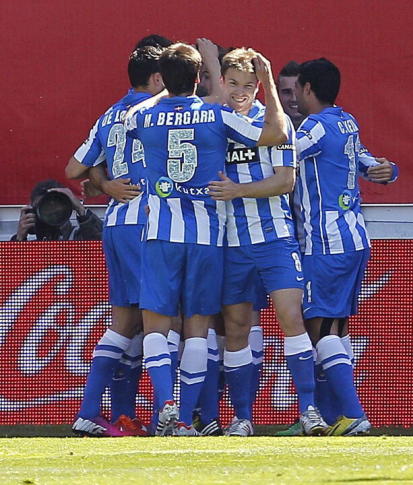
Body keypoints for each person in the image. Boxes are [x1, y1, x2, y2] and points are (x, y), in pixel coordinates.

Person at [125, 42, 287, 436]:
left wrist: (170, 88)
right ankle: (184, 419)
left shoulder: (141, 115)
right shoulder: (217, 115)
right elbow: (275, 134)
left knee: (157, 326)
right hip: (206, 237)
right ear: (199, 78)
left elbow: (135, 142)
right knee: (198, 328)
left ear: (163, 78)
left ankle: (165, 402)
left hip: (161, 231)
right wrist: (264, 82)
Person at [207, 47, 328, 437]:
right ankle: (242, 416)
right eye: (234, 84)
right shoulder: (214, 120)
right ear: (222, 82)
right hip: (230, 243)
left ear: (260, 86)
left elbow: (285, 181)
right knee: (237, 327)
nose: (241, 92)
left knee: (292, 319)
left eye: (249, 85)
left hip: (275, 237)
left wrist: (238, 190)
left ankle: (308, 410)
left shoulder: (274, 122)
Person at [292, 57, 398, 436]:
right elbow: (370, 163)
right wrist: (390, 170)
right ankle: (332, 414)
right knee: (335, 326)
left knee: (319, 329)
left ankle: (352, 415)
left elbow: (281, 155)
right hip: (354, 238)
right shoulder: (346, 121)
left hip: (326, 243)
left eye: (296, 90)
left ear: (308, 89)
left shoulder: (315, 127)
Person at [64, 45, 165, 437]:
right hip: (150, 222)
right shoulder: (160, 112)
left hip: (116, 223)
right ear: (158, 79)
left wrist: (104, 182)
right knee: (164, 319)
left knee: (125, 322)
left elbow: (74, 168)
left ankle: (93, 411)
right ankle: (165, 418)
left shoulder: (110, 114)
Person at [11, 179, 102, 241]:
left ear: (67, 208)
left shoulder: (80, 240)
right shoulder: (30, 249)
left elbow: (104, 245)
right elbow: (11, 266)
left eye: (56, 209)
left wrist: (81, 209)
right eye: (45, 209)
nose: (51, 213)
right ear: (33, 211)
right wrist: (19, 238)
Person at [278, 61, 305, 128]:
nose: (294, 99)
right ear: (277, 94)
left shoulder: (326, 126)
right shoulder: (264, 127)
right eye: (287, 92)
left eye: (299, 91)